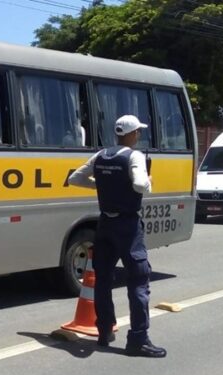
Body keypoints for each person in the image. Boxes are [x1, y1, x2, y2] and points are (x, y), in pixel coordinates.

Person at [67, 114, 166, 358]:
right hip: (128, 227)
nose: (139, 135)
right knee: (138, 281)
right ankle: (138, 340)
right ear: (133, 134)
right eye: (138, 132)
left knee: (102, 280)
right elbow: (141, 185)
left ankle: (104, 332)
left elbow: (74, 179)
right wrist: (149, 181)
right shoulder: (135, 156)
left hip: (105, 226)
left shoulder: (101, 155)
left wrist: (101, 185)